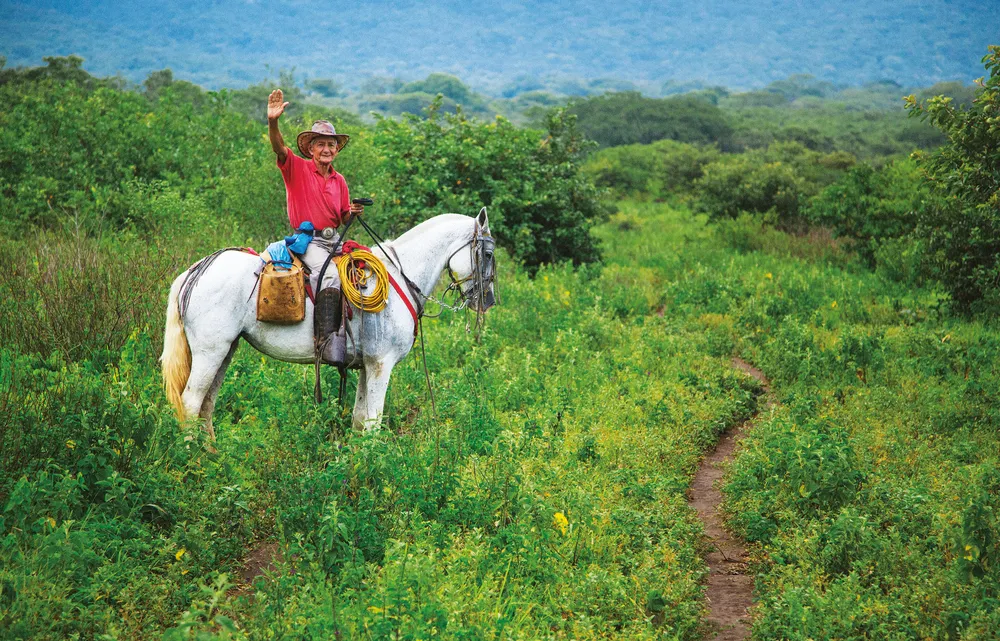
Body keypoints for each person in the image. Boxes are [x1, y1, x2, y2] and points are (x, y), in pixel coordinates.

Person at [266, 88, 363, 288]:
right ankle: (323, 321)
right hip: (309, 241)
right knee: (330, 276)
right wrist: (273, 122)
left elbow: (344, 219)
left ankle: (348, 320)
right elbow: (279, 148)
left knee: (361, 272)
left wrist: (353, 213)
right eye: (320, 144)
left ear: (336, 150)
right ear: (311, 149)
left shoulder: (339, 180)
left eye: (331, 144)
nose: (326, 149)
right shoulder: (297, 168)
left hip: (333, 239)